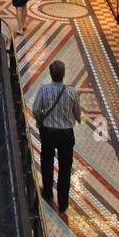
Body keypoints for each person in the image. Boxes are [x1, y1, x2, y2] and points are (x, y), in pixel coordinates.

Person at [32, 60, 82, 217]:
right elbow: (77, 112)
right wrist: (76, 119)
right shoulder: (71, 92)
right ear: (63, 74)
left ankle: (47, 192)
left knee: (46, 161)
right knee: (65, 168)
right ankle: (63, 202)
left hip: (48, 131)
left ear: (51, 74)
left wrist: (41, 119)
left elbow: (35, 109)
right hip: (66, 133)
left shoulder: (44, 89)